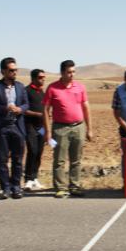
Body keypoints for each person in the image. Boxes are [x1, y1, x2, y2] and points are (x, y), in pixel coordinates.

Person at [42, 60, 93, 198]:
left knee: (76, 159)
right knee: (59, 159)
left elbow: (86, 107)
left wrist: (89, 129)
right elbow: (46, 110)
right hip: (60, 128)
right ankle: (60, 187)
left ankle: (75, 186)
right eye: (69, 72)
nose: (72, 74)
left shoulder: (80, 87)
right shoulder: (53, 88)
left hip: (78, 127)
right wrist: (47, 132)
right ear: (62, 72)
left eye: (73, 72)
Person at [0, 57, 29, 200]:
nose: (14, 72)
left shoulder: (21, 87)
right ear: (3, 71)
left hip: (17, 126)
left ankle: (16, 187)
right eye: (11, 70)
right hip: (2, 128)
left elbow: (26, 104)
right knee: (2, 160)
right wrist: (5, 108)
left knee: (17, 159)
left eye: (16, 70)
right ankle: (5, 189)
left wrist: (19, 109)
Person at [23, 69, 46, 191]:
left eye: (44, 77)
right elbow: (24, 109)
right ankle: (28, 179)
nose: (43, 79)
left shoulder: (42, 92)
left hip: (41, 127)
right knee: (32, 150)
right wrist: (36, 114)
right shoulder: (26, 91)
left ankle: (35, 177)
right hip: (30, 126)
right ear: (33, 78)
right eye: (40, 77)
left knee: (39, 152)